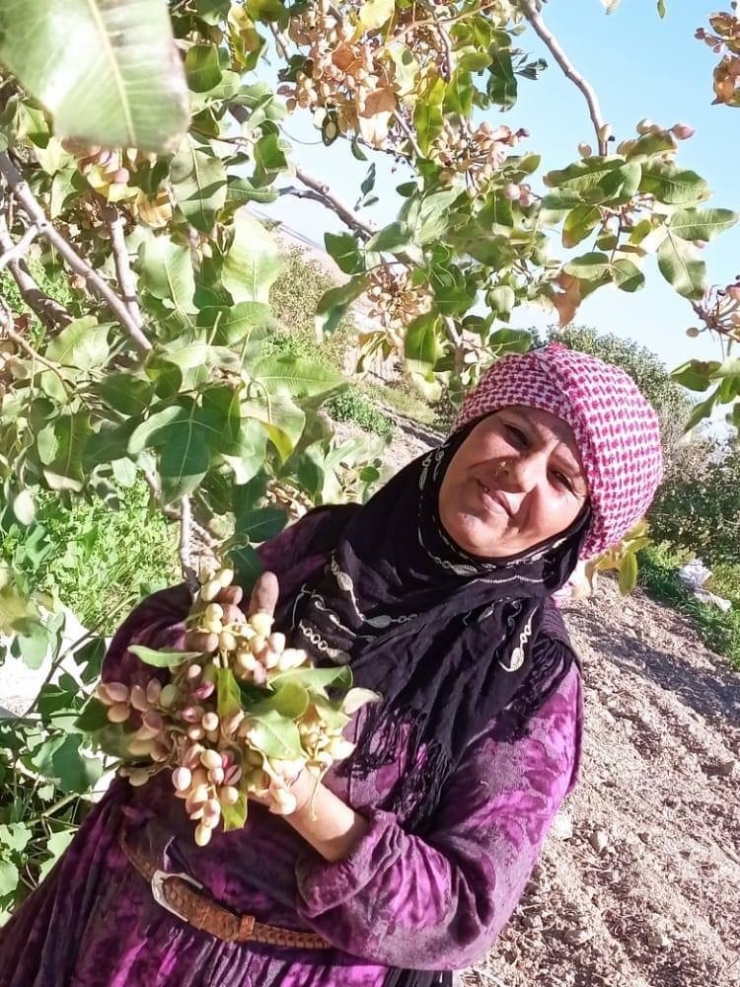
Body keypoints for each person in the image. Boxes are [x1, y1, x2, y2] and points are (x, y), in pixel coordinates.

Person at [0, 343, 663, 987]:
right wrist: (197, 653)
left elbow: (464, 909)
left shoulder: (528, 677)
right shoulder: (328, 541)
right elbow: (148, 641)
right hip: (110, 917)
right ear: (470, 429)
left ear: (577, 526)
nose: (519, 474)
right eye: (515, 434)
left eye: (561, 478)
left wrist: (299, 795)